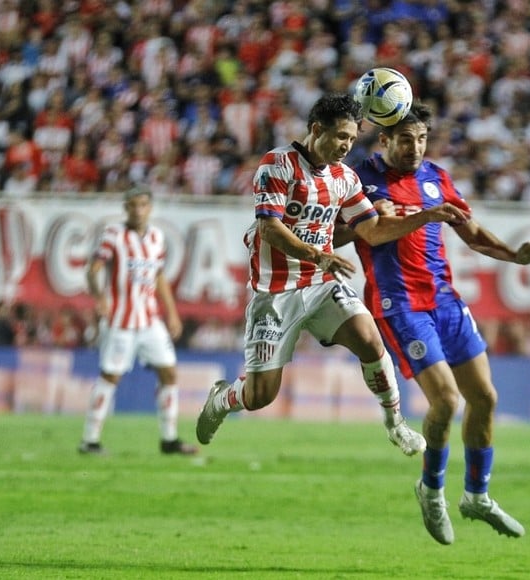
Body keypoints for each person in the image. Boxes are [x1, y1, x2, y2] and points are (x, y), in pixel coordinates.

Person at [195, 93, 469, 458]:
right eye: (341, 136)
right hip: (275, 293)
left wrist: (424, 216)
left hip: (321, 285)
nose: (346, 146)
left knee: (370, 340)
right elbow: (270, 229)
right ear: (315, 129)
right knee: (260, 396)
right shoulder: (278, 164)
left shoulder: (345, 178)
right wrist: (318, 255)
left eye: (352, 139)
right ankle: (222, 399)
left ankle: (396, 425)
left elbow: (369, 230)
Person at [335, 102, 530, 544]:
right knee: (445, 402)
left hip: (445, 301)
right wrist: (417, 216)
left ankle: (476, 495)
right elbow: (366, 232)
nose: (414, 148)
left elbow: (469, 230)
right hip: (399, 306)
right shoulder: (361, 179)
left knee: (486, 398)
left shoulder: (435, 176)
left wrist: (515, 254)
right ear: (384, 140)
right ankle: (432, 489)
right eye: (405, 139)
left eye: (420, 139)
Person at [78, 188, 198, 456]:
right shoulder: (113, 235)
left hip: (150, 320)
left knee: (169, 372)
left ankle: (169, 439)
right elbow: (92, 269)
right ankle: (90, 440)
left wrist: (173, 313)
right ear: (126, 208)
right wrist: (99, 298)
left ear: (150, 208)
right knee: (111, 375)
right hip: (120, 320)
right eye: (132, 205)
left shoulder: (156, 237)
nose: (137, 210)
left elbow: (158, 277)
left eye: (142, 205)